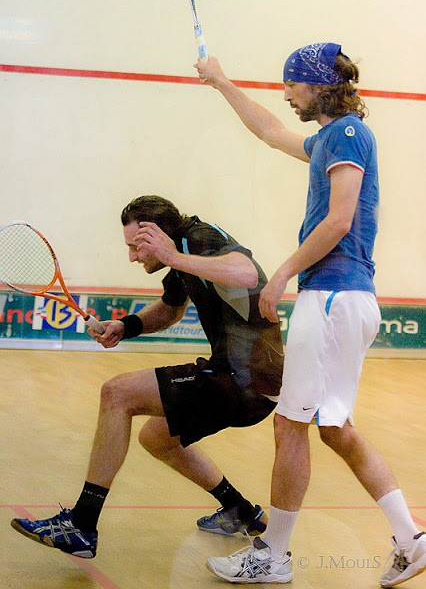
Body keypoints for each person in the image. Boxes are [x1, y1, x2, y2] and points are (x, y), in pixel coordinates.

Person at [195, 43, 426, 587]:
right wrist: (221, 82)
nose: (286, 94)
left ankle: (272, 555)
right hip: (344, 299)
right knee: (335, 428)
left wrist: (281, 274)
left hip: (331, 297)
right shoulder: (331, 137)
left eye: (292, 84)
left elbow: (339, 219)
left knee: (290, 423)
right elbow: (271, 131)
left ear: (320, 85)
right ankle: (412, 538)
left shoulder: (346, 132)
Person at [10, 195, 284, 558]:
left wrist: (172, 256)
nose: (133, 257)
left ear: (158, 235)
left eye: (135, 247)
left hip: (244, 380)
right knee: (157, 438)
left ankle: (81, 524)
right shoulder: (182, 256)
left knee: (117, 393)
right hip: (245, 381)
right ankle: (239, 510)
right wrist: (127, 326)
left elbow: (247, 274)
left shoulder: (199, 239)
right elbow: (170, 310)